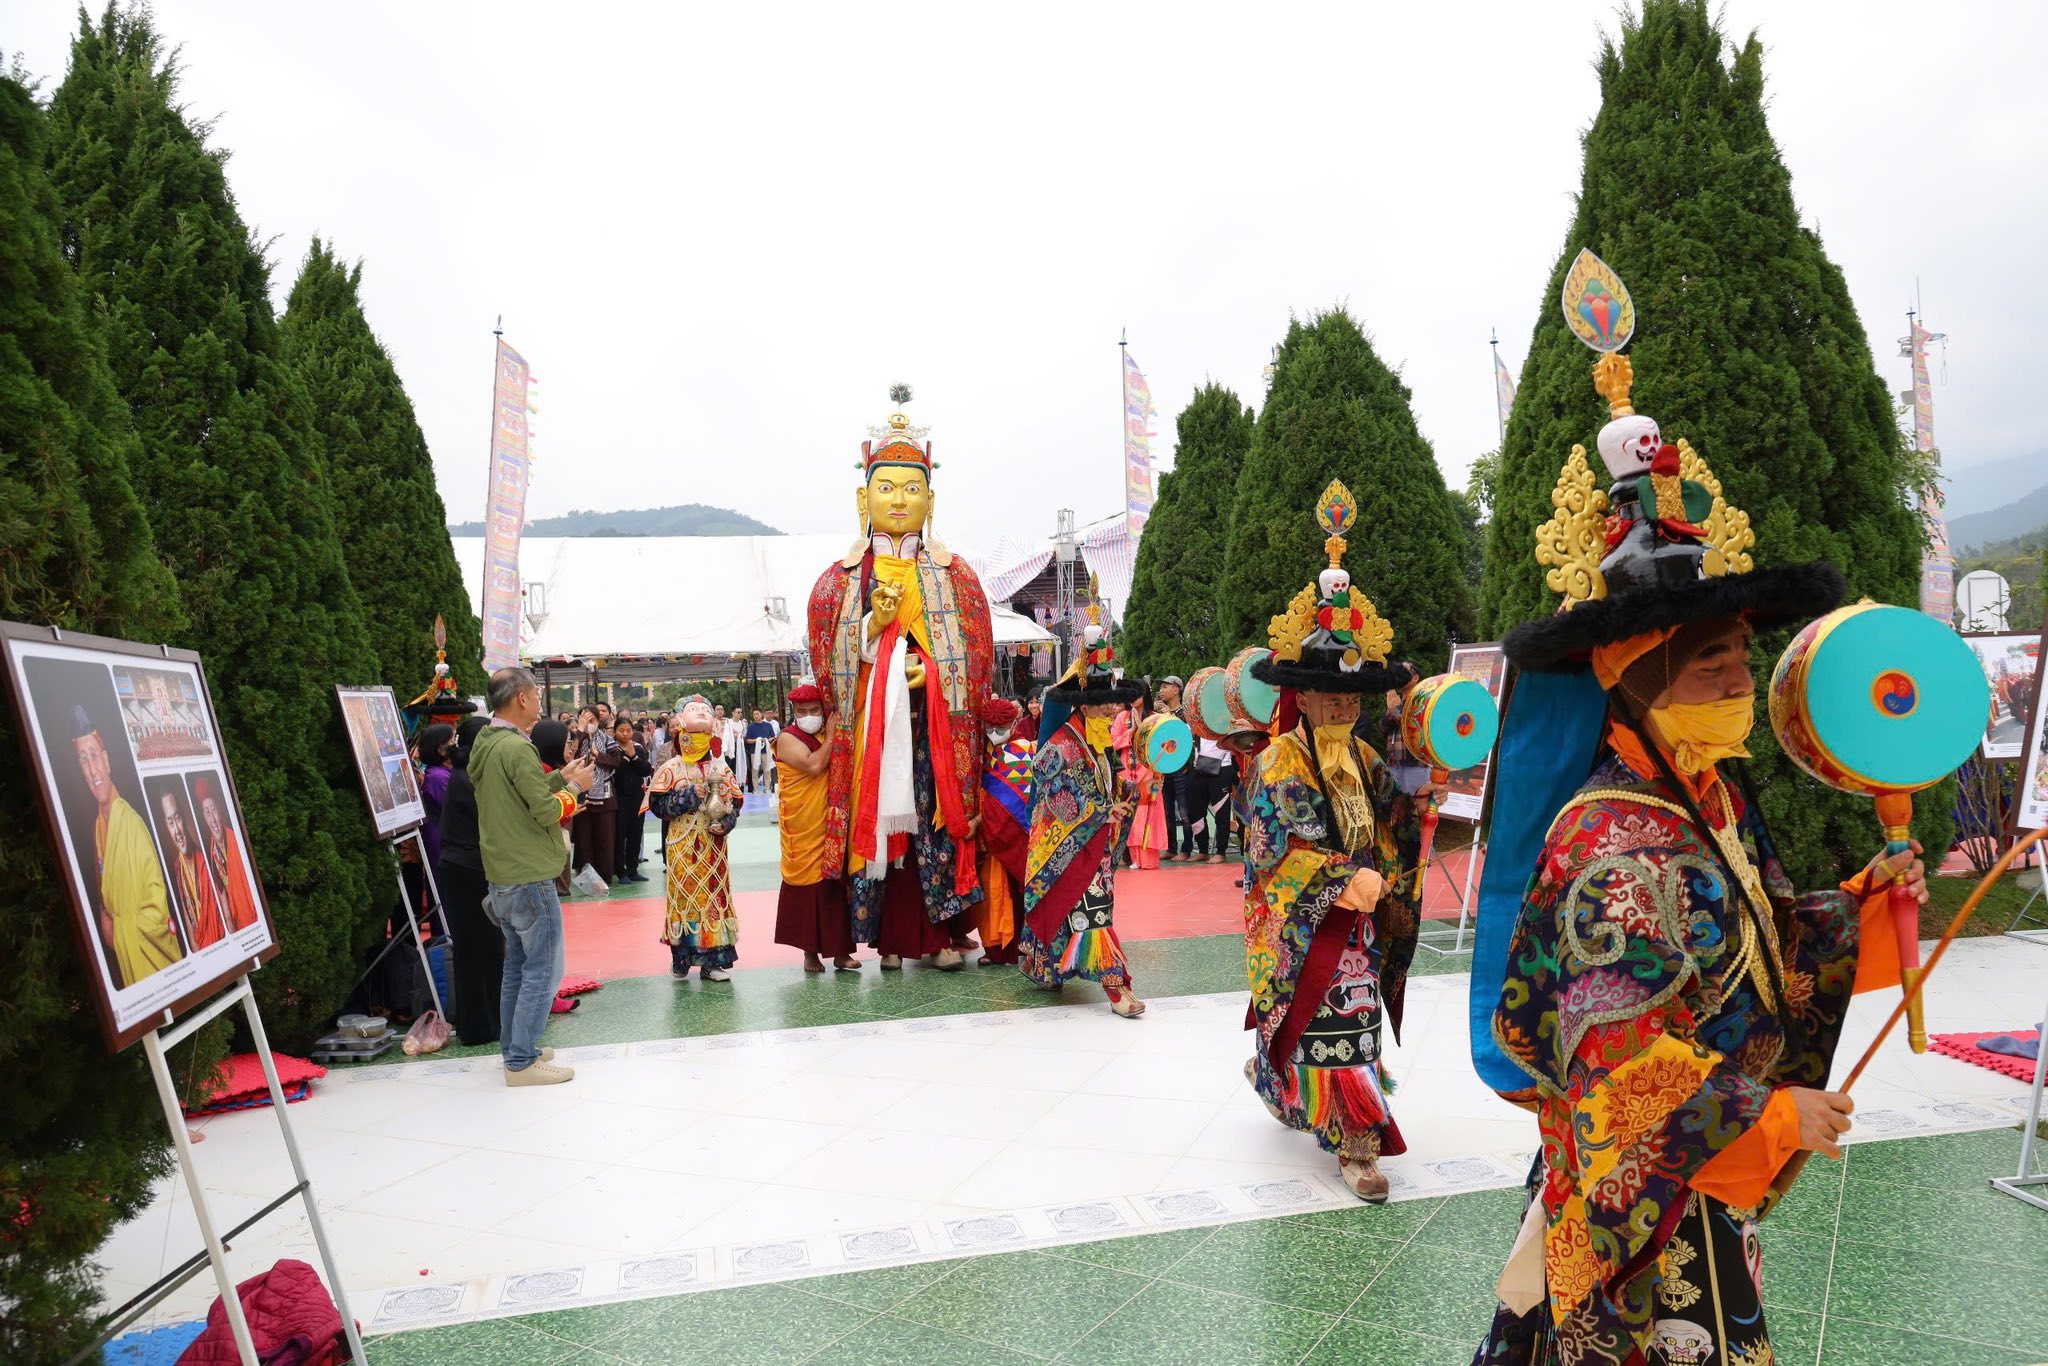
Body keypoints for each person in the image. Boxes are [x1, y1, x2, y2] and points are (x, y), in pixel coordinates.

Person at [1464, 289, 1925, 1365]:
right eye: (1710, 662)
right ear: (1640, 682)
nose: (1738, 679)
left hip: (1697, 1179)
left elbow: (1759, 939)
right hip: (1654, 1202)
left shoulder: (1703, 796)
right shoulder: (1610, 850)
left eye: (1738, 656)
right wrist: (1768, 1118)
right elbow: (1616, 1064)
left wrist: (1864, 911)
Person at [1239, 481, 1429, 1202]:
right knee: (1327, 1017)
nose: (1345, 705)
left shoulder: (1366, 755)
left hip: (1364, 915)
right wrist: (1340, 881)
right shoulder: (1280, 760)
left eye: (1353, 696)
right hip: (1316, 918)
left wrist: (1417, 802)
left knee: (1354, 1022)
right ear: (1306, 696)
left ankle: (1331, 1112)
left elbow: (1392, 818)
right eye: (1332, 696)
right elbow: (1275, 851)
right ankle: (1354, 1139)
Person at [806, 396, 994, 972]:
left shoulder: (956, 577)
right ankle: (886, 940)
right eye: (885, 487)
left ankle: (935, 936)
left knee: (930, 826)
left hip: (931, 731)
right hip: (874, 729)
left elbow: (977, 659)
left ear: (930, 501)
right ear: (862, 499)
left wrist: (929, 672)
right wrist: (873, 631)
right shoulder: (839, 582)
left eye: (912, 489)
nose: (898, 500)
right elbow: (827, 663)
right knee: (881, 826)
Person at [1018, 599, 1144, 1017]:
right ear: (1083, 705)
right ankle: (1115, 985)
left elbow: (1108, 784)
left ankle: (1043, 966)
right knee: (1092, 911)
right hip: (1070, 844)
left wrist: (1129, 793)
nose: (1112, 708)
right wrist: (1098, 812)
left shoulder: (1098, 740)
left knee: (1074, 908)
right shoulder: (1062, 744)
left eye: (1114, 702)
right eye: (1103, 702)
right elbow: (1052, 786)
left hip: (1095, 844)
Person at [470, 667, 593, 1086]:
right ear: (521, 698)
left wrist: (561, 776)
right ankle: (521, 1061)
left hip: (503, 872)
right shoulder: (517, 748)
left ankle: (515, 1048)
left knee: (517, 968)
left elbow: (521, 793)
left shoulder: (488, 742)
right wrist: (575, 789)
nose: (539, 704)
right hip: (528, 873)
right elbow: (543, 810)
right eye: (536, 695)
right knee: (542, 970)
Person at [647, 695, 745, 980]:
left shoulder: (721, 768)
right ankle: (681, 957)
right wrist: (689, 796)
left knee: (714, 898)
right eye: (692, 734)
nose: (698, 740)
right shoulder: (671, 768)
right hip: (683, 846)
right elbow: (658, 806)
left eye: (704, 735)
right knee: (684, 898)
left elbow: (735, 804)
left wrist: (726, 823)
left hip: (713, 847)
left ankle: (712, 962)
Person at [772, 682, 856, 972]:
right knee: (807, 888)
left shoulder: (825, 734)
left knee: (836, 884)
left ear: (823, 710)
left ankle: (841, 952)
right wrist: (831, 738)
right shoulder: (787, 738)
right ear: (794, 712)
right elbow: (813, 766)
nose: (808, 716)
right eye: (802, 711)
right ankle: (810, 954)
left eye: (814, 710)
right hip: (802, 825)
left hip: (831, 821)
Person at [435, 716, 500, 1044]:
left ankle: (490, 1021)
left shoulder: (468, 772)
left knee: (486, 949)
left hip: (469, 868)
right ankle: (478, 1028)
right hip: (465, 871)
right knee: (475, 951)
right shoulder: (467, 777)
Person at [974, 696, 1033, 966]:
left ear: (1013, 723)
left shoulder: (1028, 750)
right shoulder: (981, 753)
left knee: (1022, 890)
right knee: (995, 891)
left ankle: (1026, 944)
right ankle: (997, 947)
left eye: (1001, 728)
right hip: (993, 836)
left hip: (1022, 833)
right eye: (989, 728)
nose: (994, 733)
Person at [157, 784, 226, 951]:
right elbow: (191, 931)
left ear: (184, 817)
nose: (177, 831)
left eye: (177, 819)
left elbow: (227, 914)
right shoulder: (178, 869)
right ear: (166, 827)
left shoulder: (206, 859)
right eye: (170, 823)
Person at [192, 776, 259, 932]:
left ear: (220, 810)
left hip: (255, 916)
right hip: (238, 924)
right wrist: (230, 925)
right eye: (207, 812)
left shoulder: (236, 840)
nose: (212, 819)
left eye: (213, 810)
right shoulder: (213, 854)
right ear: (204, 817)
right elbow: (223, 897)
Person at [567, 706, 617, 889]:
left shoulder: (607, 739)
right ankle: (586, 878)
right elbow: (570, 756)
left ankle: (605, 877)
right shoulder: (573, 738)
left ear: (598, 721)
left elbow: (616, 761)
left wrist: (598, 755)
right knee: (583, 841)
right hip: (582, 795)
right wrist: (580, 730)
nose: (589, 724)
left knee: (605, 840)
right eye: (585, 719)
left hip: (604, 796)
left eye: (592, 720)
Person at [608, 718, 654, 883]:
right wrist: (627, 758)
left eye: (628, 730)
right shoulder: (612, 749)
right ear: (615, 732)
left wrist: (633, 756)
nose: (625, 734)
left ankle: (633, 870)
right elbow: (616, 772)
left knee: (636, 833)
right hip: (619, 797)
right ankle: (621, 872)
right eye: (621, 730)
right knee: (620, 835)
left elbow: (646, 770)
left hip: (637, 797)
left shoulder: (638, 748)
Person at [719, 704, 749, 789]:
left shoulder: (742, 723)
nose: (740, 714)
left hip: (740, 746)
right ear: (733, 713)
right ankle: (730, 786)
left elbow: (744, 735)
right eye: (738, 712)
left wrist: (740, 736)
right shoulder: (728, 722)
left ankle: (740, 786)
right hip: (730, 746)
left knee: (740, 765)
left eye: (741, 712)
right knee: (730, 766)